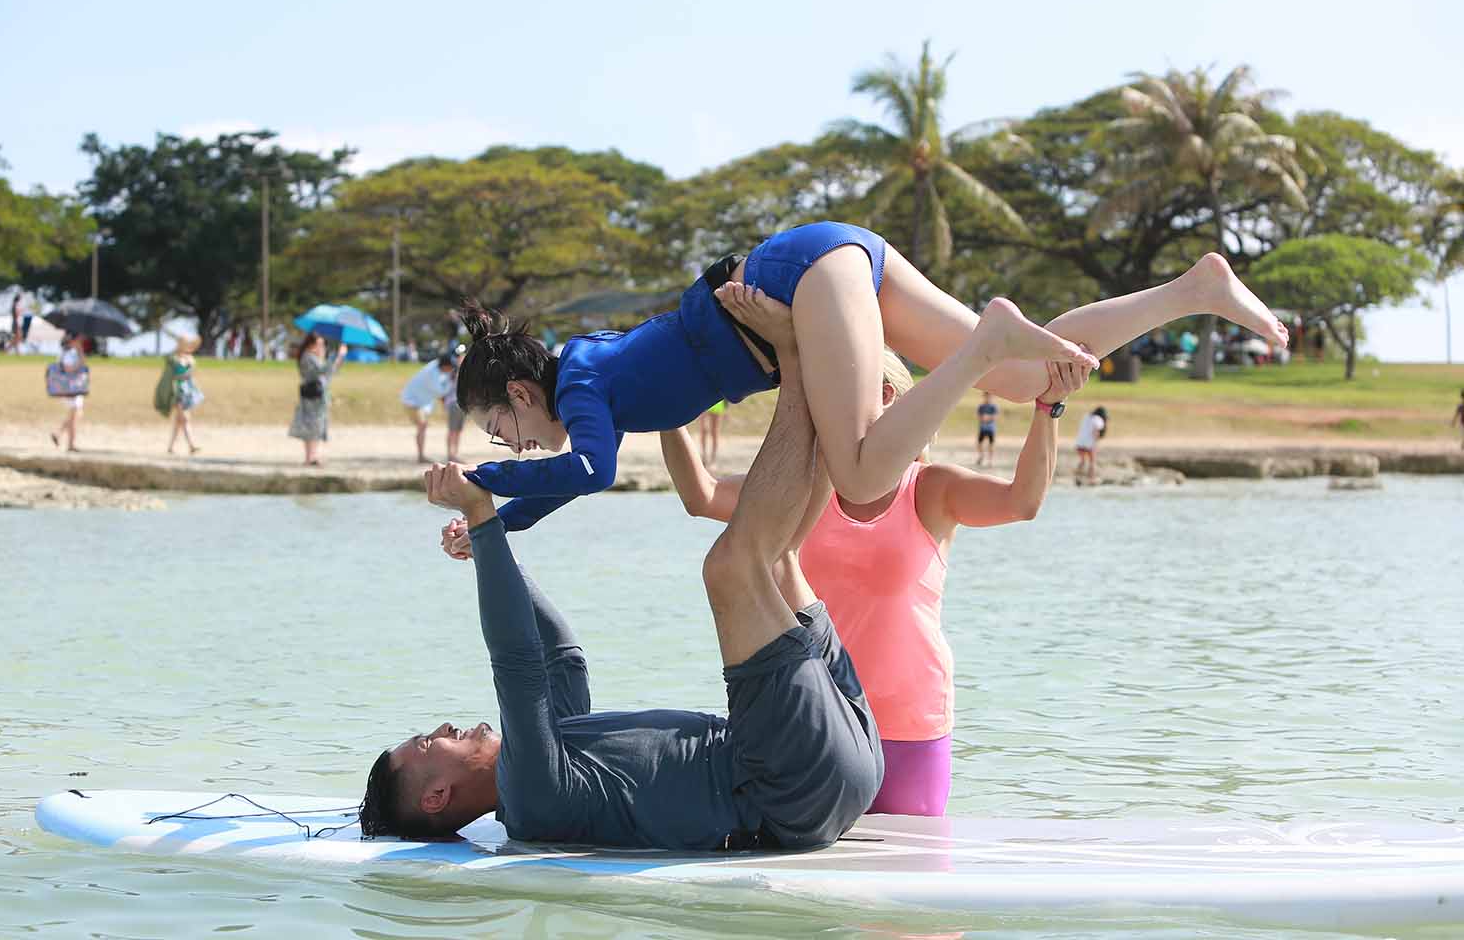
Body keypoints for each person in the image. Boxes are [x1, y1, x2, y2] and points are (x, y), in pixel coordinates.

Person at [363, 318, 887, 850]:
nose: (447, 728)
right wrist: (480, 515)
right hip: (794, 783)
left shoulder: (551, 748)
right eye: (430, 743)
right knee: (733, 568)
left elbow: (560, 656)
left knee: (779, 563)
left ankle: (839, 395)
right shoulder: (530, 798)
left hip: (841, 757)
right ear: (436, 799)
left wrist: (489, 547)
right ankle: (798, 364)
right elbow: (516, 661)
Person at [451, 221, 1288, 533]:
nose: (515, 444)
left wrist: (480, 479)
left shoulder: (583, 389)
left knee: (857, 476)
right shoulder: (587, 368)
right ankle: (1195, 289)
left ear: (523, 393)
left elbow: (589, 473)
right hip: (825, 256)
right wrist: (493, 518)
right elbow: (564, 482)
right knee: (1032, 379)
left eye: (504, 430)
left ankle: (982, 342)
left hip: (798, 277)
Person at [658, 302, 1087, 816]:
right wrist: (666, 409)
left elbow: (1023, 501)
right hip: (818, 718)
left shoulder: (930, 490)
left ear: (884, 396)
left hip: (909, 723)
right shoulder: (801, 489)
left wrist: (1048, 411)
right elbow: (702, 495)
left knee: (908, 881)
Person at [288, 332, 347, 466]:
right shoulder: (308, 357)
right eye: (318, 345)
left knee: (317, 426)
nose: (321, 348)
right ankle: (310, 458)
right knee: (312, 426)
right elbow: (322, 371)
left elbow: (329, 373)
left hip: (318, 396)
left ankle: (313, 456)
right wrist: (335, 356)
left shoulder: (314, 358)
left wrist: (340, 357)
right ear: (310, 345)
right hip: (312, 396)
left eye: (322, 345)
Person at [400, 351, 459, 463]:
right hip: (412, 401)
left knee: (422, 426)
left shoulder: (437, 365)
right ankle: (421, 456)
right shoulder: (432, 374)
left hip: (421, 401)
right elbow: (441, 392)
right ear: (445, 366)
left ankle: (421, 455)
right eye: (450, 367)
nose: (452, 370)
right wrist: (451, 382)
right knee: (422, 425)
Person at [165, 335, 204, 455]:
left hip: (187, 391)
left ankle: (171, 447)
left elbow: (191, 375)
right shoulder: (175, 359)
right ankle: (191, 445)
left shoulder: (189, 358)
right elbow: (174, 376)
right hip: (178, 391)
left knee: (179, 422)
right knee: (185, 419)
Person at [49, 334, 88, 452]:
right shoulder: (68, 353)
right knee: (75, 415)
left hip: (74, 388)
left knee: (76, 415)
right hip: (71, 388)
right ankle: (68, 442)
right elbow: (68, 369)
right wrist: (80, 357)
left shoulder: (72, 352)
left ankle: (60, 435)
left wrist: (80, 352)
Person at [1075, 406, 1108, 483]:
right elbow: (1096, 432)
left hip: (1079, 442)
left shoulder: (1086, 416)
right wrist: (1095, 444)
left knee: (1082, 461)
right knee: (1092, 462)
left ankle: (1077, 477)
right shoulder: (1099, 420)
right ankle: (1091, 478)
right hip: (1089, 443)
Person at [697, 400, 726, 468]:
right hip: (704, 400)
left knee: (714, 432)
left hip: (717, 401)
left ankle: (713, 460)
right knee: (703, 429)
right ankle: (704, 456)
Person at [976, 391, 999, 467]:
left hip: (991, 429)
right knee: (979, 444)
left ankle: (990, 460)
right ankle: (981, 456)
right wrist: (982, 418)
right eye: (986, 396)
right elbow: (978, 416)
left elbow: (995, 417)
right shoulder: (981, 407)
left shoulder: (993, 407)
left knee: (991, 445)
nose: (987, 398)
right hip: (982, 428)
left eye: (989, 396)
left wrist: (987, 417)